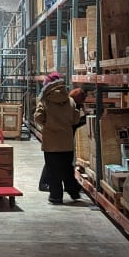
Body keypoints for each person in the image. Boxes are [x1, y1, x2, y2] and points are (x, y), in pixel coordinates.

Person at [34, 73, 83, 205]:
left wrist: (48, 124)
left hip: (51, 143)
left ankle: (56, 196)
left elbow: (38, 117)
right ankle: (74, 191)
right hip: (66, 142)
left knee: (53, 171)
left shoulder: (44, 101)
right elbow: (75, 119)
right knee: (67, 168)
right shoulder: (70, 101)